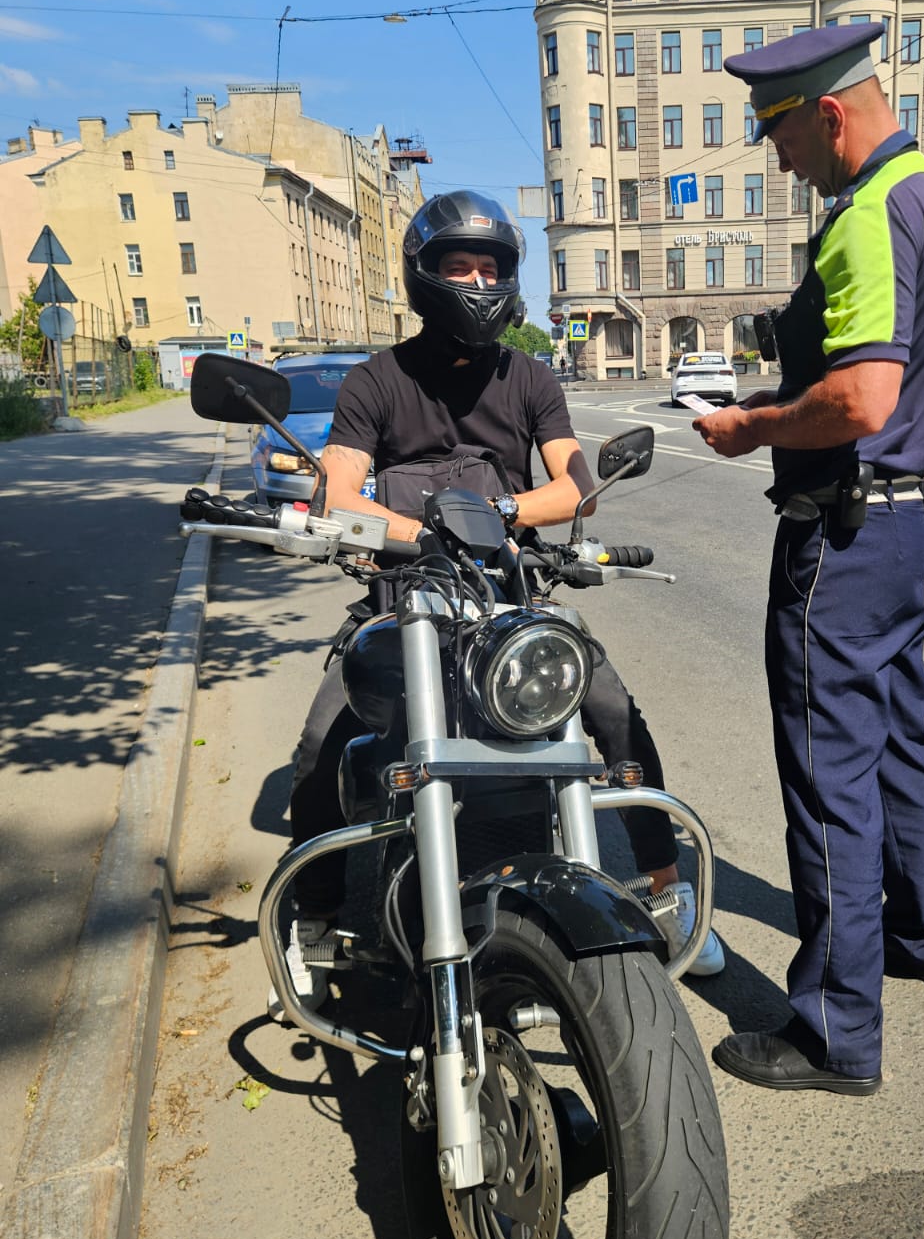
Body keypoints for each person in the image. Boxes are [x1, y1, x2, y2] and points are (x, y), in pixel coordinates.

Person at [282, 190, 723, 1009]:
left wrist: (498, 515)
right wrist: (424, 532)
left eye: (491, 269)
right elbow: (337, 494)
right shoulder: (377, 380)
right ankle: (316, 917)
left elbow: (575, 486)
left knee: (613, 710)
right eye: (460, 267)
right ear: (425, 276)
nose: (478, 283)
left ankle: (666, 886)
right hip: (404, 594)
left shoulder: (530, 377)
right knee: (319, 744)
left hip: (507, 594)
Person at [691, 27, 924, 1094]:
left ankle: (833, 1032)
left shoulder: (866, 214)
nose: (779, 161)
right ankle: (923, 934)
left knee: (830, 777)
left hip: (844, 540)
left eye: (778, 135)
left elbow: (862, 398)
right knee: (900, 739)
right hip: (906, 526)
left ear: (828, 114)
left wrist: (752, 427)